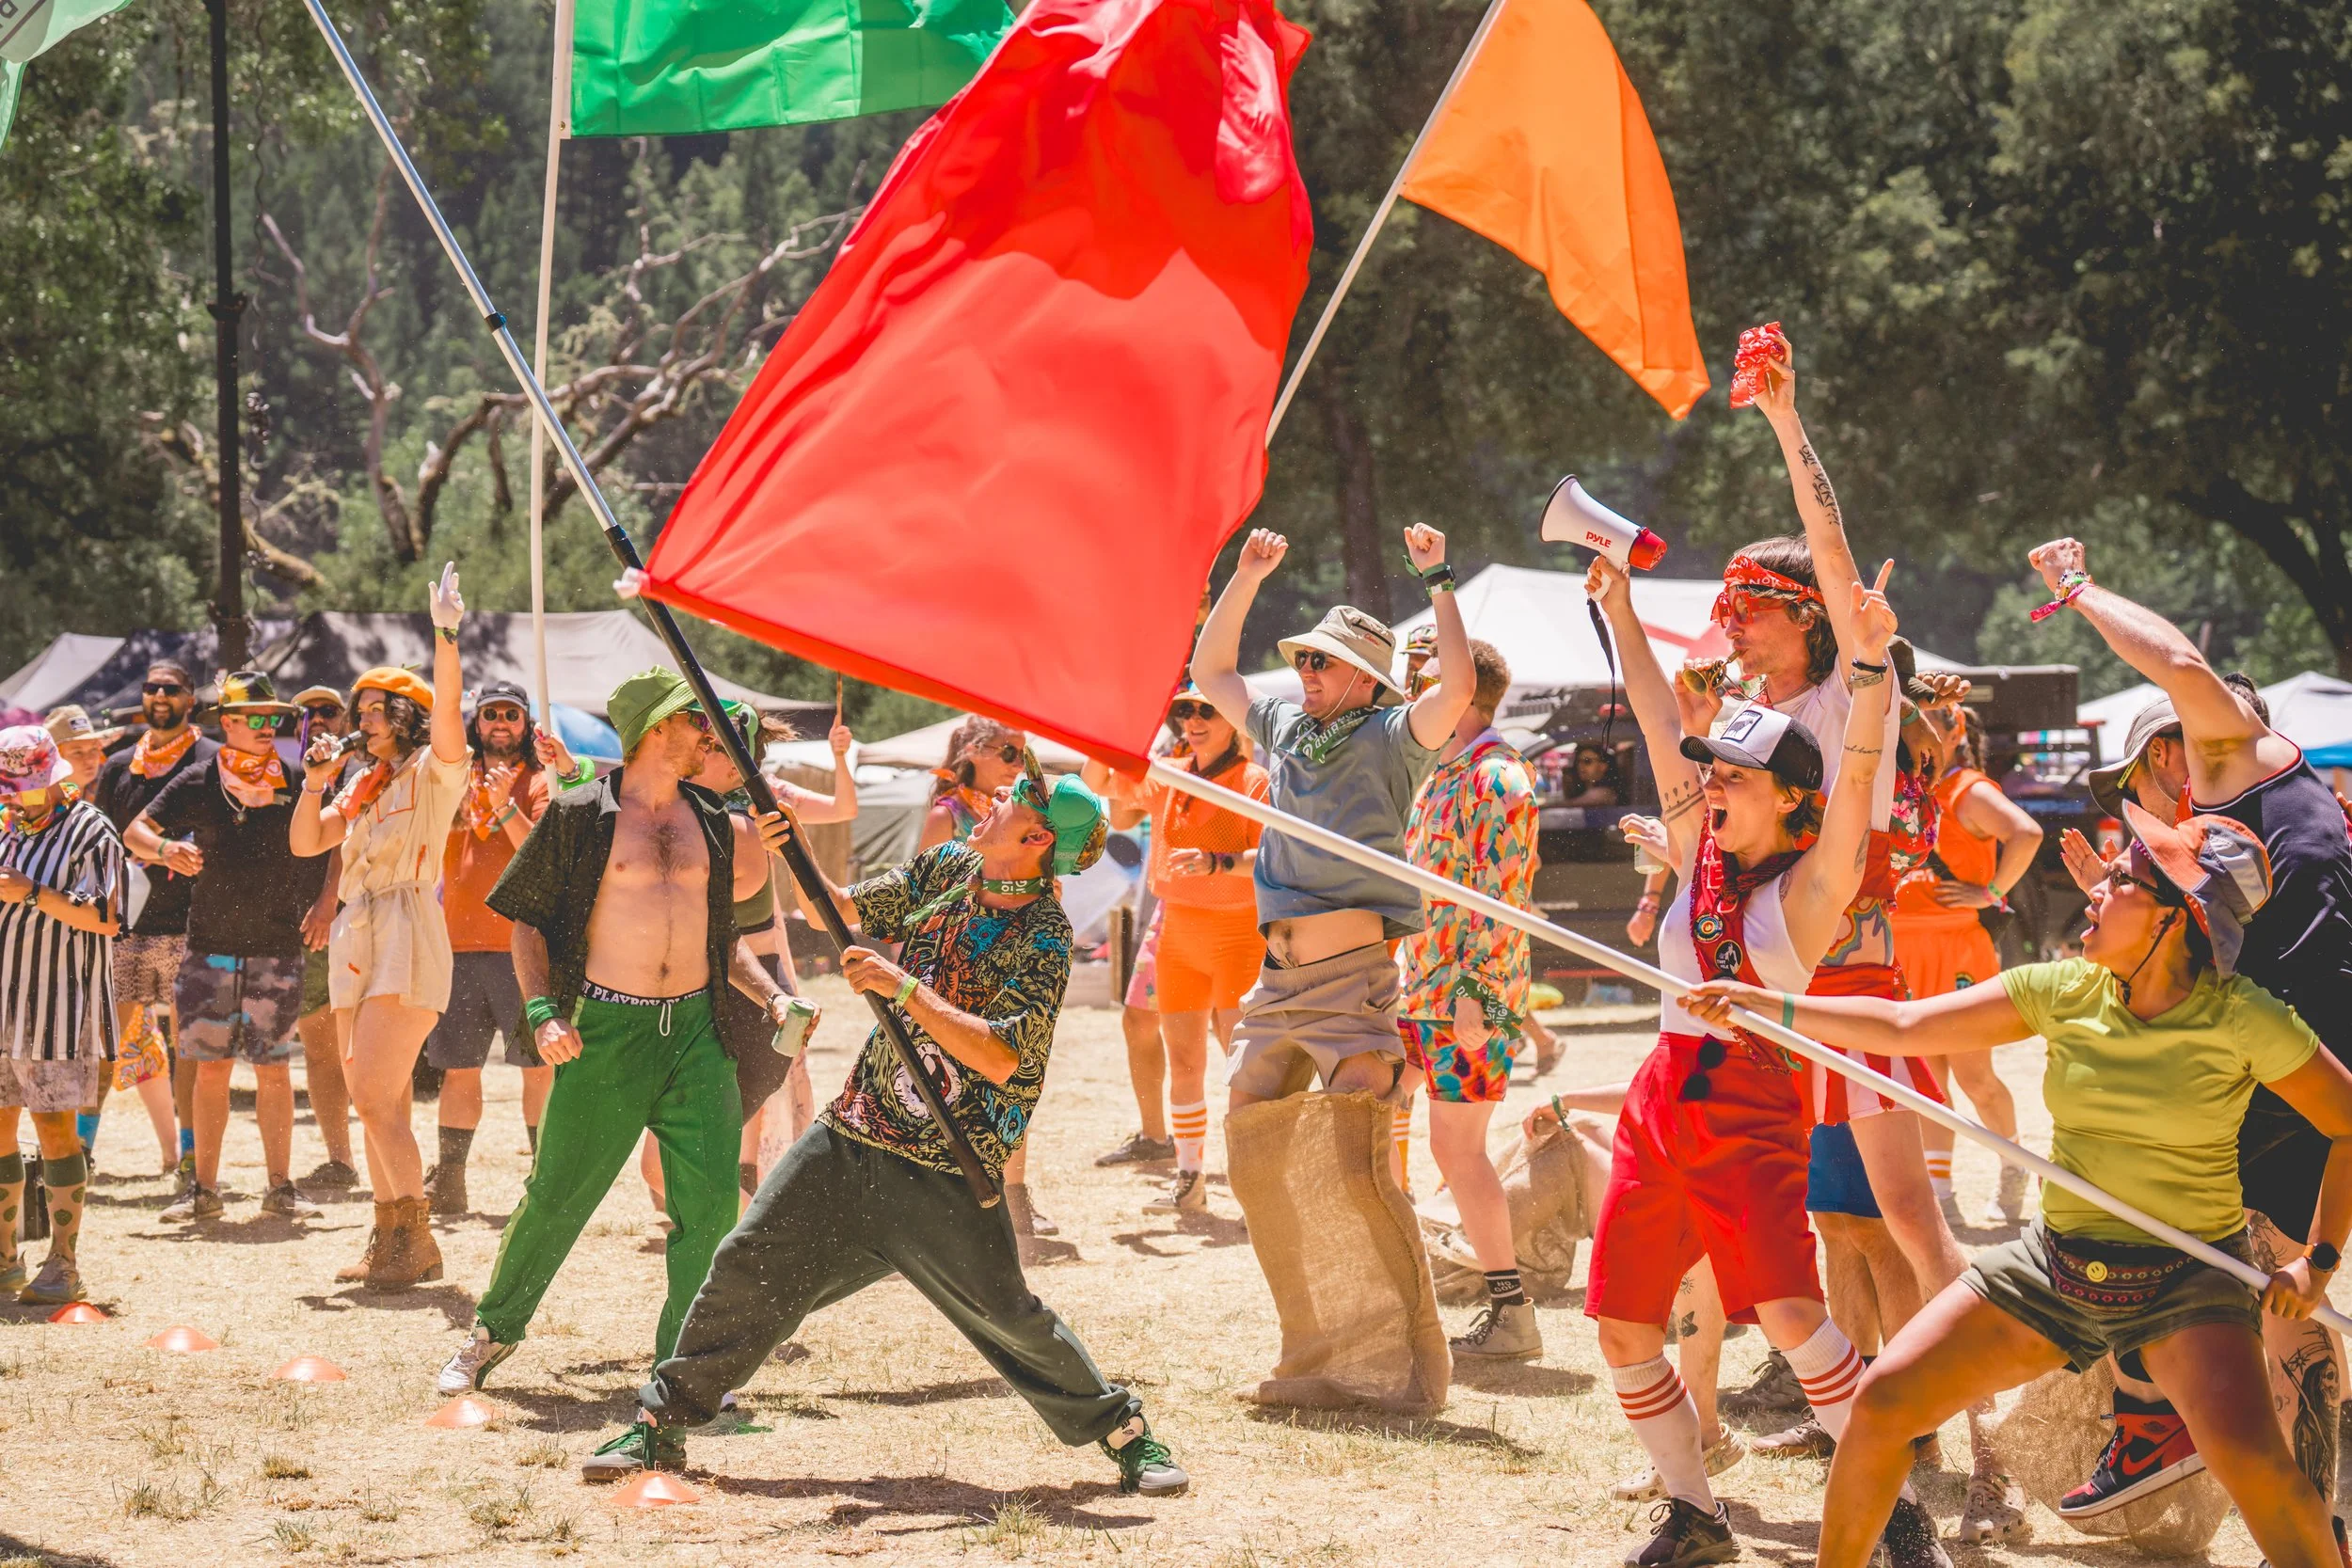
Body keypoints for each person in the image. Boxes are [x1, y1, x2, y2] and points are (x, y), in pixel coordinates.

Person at [1682, 802, 2352, 1568]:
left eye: (2122, 880)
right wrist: (1767, 1006)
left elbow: (2347, 1123)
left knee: (2267, 1478)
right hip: (2055, 1267)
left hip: (2188, 1280)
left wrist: (2319, 1258)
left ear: (2178, 918)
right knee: (1881, 1404)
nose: (2094, 890)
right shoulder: (2065, 988)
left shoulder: (2243, 1018)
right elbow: (1904, 1027)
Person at [596, 755, 1189, 1502]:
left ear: (1038, 837)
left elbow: (1003, 1053)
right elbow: (837, 911)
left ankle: (1125, 1434)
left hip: (945, 1165)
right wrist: (791, 850)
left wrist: (904, 987)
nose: (997, 794)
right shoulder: (948, 865)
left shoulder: (1043, 934)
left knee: (1007, 1315)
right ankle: (661, 1422)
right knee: (749, 1260)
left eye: (1017, 796)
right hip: (853, 1134)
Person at [1572, 549, 1936, 1567]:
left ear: (1786, 796)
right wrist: (1622, 611)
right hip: (1662, 1097)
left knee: (1789, 1312)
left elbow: (1858, 765)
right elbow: (1653, 716)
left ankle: (1898, 1507)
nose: (1707, 786)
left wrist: (1867, 674)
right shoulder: (1695, 848)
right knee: (1619, 1324)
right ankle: (1694, 1515)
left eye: (1730, 776)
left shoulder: (1811, 890)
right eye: (1711, 772)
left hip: (1749, 1105)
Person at [2032, 535, 2352, 1521]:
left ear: (2177, 747)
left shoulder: (2238, 762)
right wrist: (2124, 923)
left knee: (2235, 1271)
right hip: (2274, 1063)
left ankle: (2220, 1461)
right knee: (2248, 1272)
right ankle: (2275, 1483)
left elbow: (2176, 665)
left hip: (2288, 1067)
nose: (2138, 805)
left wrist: (2078, 591)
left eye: (2138, 778)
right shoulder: (2232, 839)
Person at [1717, 332, 1979, 1497]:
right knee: (1837, 1233)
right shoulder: (1741, 706)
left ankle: (1982, 1458)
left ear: (1808, 622)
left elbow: (1828, 548)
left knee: (1917, 1235)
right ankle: (1875, 1418)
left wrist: (1783, 421)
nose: (1732, 627)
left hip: (1858, 996)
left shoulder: (1837, 693)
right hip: (1778, 993)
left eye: (1750, 611)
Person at [434, 670, 796, 1402]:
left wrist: (773, 995)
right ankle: (492, 1332)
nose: (709, 734)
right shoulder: (578, 815)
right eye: (698, 719)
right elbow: (528, 920)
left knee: (709, 1208)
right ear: (658, 727)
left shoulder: (712, 817)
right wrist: (543, 1011)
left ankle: (686, 1369)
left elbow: (720, 937)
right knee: (557, 1197)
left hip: (696, 1032)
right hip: (606, 1029)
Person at [1190, 524, 1470, 1115]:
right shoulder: (1286, 726)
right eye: (1305, 659)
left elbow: (1458, 689)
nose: (1306, 670)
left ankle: (1398, 1089)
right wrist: (1246, 578)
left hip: (1351, 982)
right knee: (1250, 1150)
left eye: (1322, 661)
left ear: (1367, 679)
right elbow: (1210, 674)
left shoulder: (1395, 734)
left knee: (1352, 1162)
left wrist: (1437, 581)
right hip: (1275, 980)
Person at [289, 565, 470, 1288]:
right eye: (359, 708)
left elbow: (452, 712)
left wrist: (446, 633)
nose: (358, 719)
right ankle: (389, 1232)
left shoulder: (433, 771)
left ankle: (416, 1237)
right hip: (355, 935)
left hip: (406, 929)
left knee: (371, 1095)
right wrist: (311, 782)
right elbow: (307, 842)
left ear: (405, 717)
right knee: (379, 1102)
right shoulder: (362, 785)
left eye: (373, 709)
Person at [131, 673, 331, 1225]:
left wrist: (326, 903)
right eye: (257, 719)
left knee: (272, 1069)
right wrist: (167, 847)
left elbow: (340, 838)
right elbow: (135, 832)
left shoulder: (298, 777)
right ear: (228, 723)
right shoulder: (198, 780)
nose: (270, 728)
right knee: (210, 1068)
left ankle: (280, 1187)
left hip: (277, 944)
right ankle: (204, 1190)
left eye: (276, 719)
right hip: (209, 948)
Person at [1394, 640, 1543, 1358]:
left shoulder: (1498, 777)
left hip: (1463, 997)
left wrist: (1477, 997)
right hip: (1423, 987)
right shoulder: (1443, 770)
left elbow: (1504, 895)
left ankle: (1512, 1310)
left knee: (1460, 1151)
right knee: (1427, 1139)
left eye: (1425, 682)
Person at [1081, 686, 1270, 1214]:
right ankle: (1190, 1178)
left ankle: (1256, 1181)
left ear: (1234, 719)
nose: (1192, 719)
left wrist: (1217, 862)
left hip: (1237, 938)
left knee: (1243, 1070)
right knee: (1185, 1061)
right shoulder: (1170, 770)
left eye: (1206, 709)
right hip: (1178, 937)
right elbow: (1097, 788)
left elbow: (1276, 858)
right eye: (1183, 710)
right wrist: (1115, 728)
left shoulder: (1254, 782)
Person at [1891, 704, 2041, 1228]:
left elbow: (2028, 833)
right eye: (1915, 719)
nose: (1919, 730)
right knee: (1926, 1081)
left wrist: (1992, 891)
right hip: (1907, 953)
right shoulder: (1913, 787)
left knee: (1976, 1077)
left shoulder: (1968, 789)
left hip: (1957, 948)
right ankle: (1941, 1192)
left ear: (1956, 731)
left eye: (1932, 720)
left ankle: (2013, 1166)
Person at [420, 680, 555, 1216]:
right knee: (459, 1068)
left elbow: (539, 851)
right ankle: (449, 1179)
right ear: (477, 723)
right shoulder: (455, 779)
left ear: (526, 723)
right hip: (456, 948)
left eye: (512, 714)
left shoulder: (542, 781)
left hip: (524, 948)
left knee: (538, 1068)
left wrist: (503, 808)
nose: (501, 722)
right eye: (491, 714)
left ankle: (545, 1180)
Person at [919, 715, 1057, 1237]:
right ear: (974, 753)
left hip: (1016, 957)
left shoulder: (1023, 812)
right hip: (961, 964)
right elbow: (924, 893)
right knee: (945, 1086)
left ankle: (1013, 1203)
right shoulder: (947, 814)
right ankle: (947, 1206)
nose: (1019, 764)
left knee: (1013, 1081)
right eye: (1009, 753)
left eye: (1023, 753)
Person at [0, 725, 122, 1307]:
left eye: (18, 785)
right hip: (2, 998)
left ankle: (64, 1262)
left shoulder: (90, 829)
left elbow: (106, 916)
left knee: (54, 1130)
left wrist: (30, 892)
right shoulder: (3, 825)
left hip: (59, 1001)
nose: (12, 795)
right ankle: (5, 1259)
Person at [89, 663, 215, 1185]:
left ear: (190, 698)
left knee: (189, 1046)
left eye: (172, 688)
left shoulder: (210, 761)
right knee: (103, 1041)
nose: (159, 696)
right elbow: (97, 843)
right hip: (126, 929)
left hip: (192, 922)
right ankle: (78, 1150)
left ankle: (189, 1159)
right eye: (152, 688)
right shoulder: (120, 766)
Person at [288, 687, 359, 1189]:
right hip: (301, 926)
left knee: (360, 1046)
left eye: (328, 711)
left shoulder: (358, 771)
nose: (316, 720)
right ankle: (340, 1159)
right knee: (319, 1046)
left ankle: (377, 1158)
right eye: (306, 713)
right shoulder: (296, 774)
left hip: (346, 920)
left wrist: (328, 898)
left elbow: (344, 839)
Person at [44, 705, 121, 791]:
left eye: (94, 749)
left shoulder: (107, 790)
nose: (90, 760)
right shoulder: (39, 801)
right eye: (78, 752)